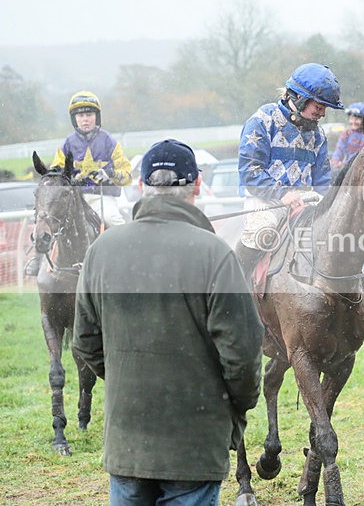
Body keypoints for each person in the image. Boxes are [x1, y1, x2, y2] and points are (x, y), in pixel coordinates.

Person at [72, 139, 264, 505]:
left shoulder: (101, 251)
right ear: (196, 185)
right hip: (196, 444)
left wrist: (131, 382)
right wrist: (234, 408)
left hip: (127, 443)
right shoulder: (216, 254)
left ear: (142, 185)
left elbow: (84, 342)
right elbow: (243, 353)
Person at [235, 63, 343, 278]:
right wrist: (282, 193)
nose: (322, 114)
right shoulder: (262, 121)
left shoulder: (319, 135)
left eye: (325, 108)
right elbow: (250, 171)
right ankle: (234, 285)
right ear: (299, 97)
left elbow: (322, 181)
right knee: (260, 231)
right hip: (266, 200)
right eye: (319, 107)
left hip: (306, 199)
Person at [25, 90, 132, 276]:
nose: (85, 119)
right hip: (73, 198)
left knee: (114, 220)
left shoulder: (110, 142)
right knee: (49, 220)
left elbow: (127, 175)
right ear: (74, 119)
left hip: (101, 198)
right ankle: (38, 258)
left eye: (89, 114)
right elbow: (56, 172)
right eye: (80, 115)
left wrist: (109, 174)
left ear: (96, 116)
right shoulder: (67, 143)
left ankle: (126, 264)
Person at [330, 102, 364, 171]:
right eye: (351, 119)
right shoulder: (346, 134)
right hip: (347, 168)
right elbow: (338, 151)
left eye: (357, 119)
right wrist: (335, 162)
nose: (353, 122)